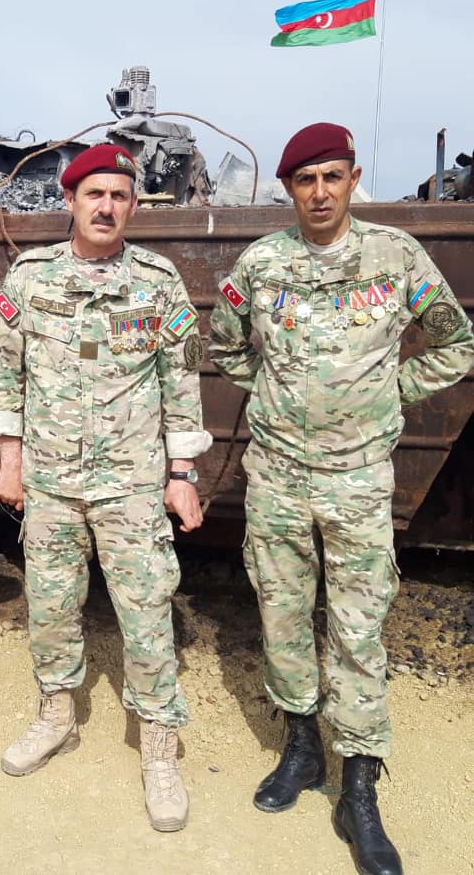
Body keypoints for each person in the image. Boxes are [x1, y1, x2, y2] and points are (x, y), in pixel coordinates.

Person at [209, 123, 474, 875]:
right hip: (278, 477)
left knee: (358, 630)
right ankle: (302, 749)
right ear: (289, 189)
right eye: (305, 180)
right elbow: (224, 344)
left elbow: (456, 344)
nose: (320, 192)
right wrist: (274, 395)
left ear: (353, 179)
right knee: (284, 615)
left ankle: (360, 784)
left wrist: (391, 392)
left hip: (357, 478)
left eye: (333, 176)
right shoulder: (262, 264)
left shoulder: (396, 257)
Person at [0, 144, 212, 832]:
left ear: (133, 207)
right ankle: (57, 715)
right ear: (71, 201)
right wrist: (10, 461)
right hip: (51, 482)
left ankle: (159, 747)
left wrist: (182, 475)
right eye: (94, 195)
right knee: (51, 606)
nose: (106, 207)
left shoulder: (159, 283)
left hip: (131, 485)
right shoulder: (30, 278)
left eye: (118, 196)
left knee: (146, 613)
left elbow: (181, 383)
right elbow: (5, 373)